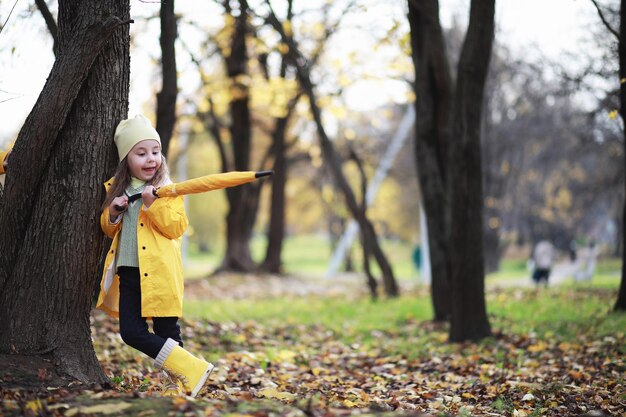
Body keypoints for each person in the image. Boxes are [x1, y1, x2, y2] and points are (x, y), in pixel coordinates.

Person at [96, 115, 213, 397]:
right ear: (126, 158)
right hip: (129, 272)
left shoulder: (168, 190)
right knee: (131, 332)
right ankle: (193, 368)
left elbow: (176, 227)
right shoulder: (117, 189)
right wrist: (113, 212)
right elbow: (108, 228)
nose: (151, 159)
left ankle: (183, 382)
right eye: (141, 153)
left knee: (166, 331)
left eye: (155, 152)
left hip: (161, 273)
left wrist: (153, 205)